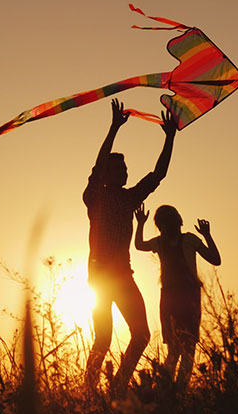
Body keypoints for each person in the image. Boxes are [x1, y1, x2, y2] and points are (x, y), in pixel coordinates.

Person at [84, 98, 178, 393]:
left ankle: (118, 385)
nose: (125, 172)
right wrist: (113, 128)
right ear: (107, 175)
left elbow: (158, 174)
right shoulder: (94, 197)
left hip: (123, 276)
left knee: (141, 334)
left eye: (125, 167)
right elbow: (98, 166)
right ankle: (88, 390)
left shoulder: (129, 198)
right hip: (99, 278)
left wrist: (170, 137)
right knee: (103, 339)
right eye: (120, 168)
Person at [134, 203, 220, 388]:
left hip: (179, 298)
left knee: (180, 349)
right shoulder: (182, 240)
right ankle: (173, 391)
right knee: (181, 349)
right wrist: (207, 235)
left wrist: (141, 223)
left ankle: (172, 391)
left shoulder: (180, 241)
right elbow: (216, 259)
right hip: (180, 298)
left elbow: (139, 245)